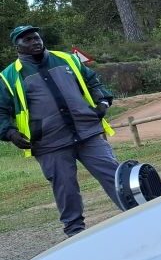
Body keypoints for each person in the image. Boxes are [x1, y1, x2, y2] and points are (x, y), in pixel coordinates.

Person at [0, 25, 121, 237]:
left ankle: (137, 210)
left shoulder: (67, 59)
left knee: (113, 173)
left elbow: (92, 81)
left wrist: (102, 101)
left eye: (36, 37)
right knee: (65, 189)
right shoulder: (7, 77)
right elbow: (1, 111)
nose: (35, 42)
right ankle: (75, 234)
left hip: (88, 132)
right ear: (16, 47)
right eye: (27, 40)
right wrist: (9, 132)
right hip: (49, 143)